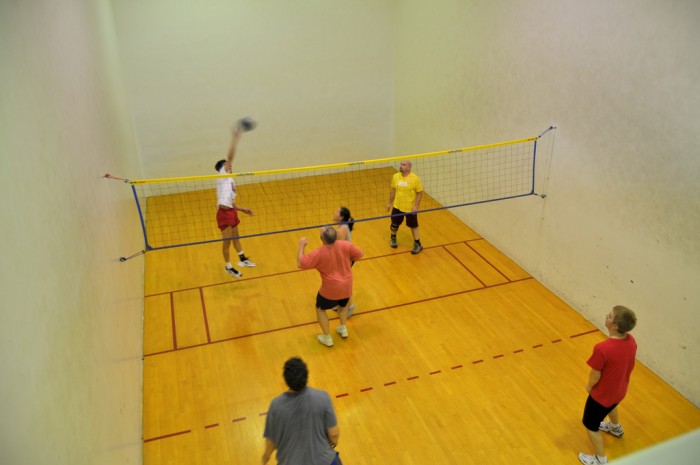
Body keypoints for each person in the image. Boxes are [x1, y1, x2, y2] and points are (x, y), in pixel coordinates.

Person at [578, 305, 638, 465]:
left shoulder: (602, 348)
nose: (606, 316)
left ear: (615, 326)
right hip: (619, 391)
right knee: (611, 405)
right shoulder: (631, 340)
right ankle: (614, 427)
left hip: (601, 396)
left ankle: (600, 460)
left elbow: (595, 374)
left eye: (610, 316)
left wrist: (589, 387)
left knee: (590, 425)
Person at [262, 357, 343, 465]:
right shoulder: (323, 397)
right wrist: (333, 443)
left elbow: (271, 442)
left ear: (286, 380)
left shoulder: (275, 405)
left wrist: (265, 458)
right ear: (306, 376)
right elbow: (333, 434)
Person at [297, 226, 363, 347]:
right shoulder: (345, 245)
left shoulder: (318, 253)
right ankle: (343, 328)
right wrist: (348, 262)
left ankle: (327, 337)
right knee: (343, 306)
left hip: (331, 289)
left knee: (320, 309)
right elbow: (360, 254)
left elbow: (300, 263)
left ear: (323, 239)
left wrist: (301, 245)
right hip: (347, 285)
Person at [215, 127, 256, 279]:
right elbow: (230, 157)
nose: (230, 166)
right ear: (222, 168)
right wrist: (235, 138)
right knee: (226, 242)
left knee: (236, 237)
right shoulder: (222, 175)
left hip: (231, 211)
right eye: (227, 165)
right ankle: (228, 266)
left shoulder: (231, 180)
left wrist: (242, 209)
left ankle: (242, 258)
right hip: (223, 214)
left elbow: (231, 202)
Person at [386, 160, 424, 254]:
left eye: (403, 165)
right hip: (397, 206)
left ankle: (418, 244)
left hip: (410, 208)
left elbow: (419, 193)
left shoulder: (415, 178)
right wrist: (389, 203)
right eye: (401, 164)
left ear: (409, 168)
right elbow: (393, 190)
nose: (401, 166)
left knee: (413, 226)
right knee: (394, 224)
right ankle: (393, 237)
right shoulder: (396, 176)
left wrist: (416, 206)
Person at [332, 207, 356, 317]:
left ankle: (349, 307)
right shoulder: (342, 226)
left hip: (345, 259)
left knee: (344, 284)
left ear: (341, 217)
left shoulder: (342, 229)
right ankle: (340, 304)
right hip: (344, 258)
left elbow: (338, 248)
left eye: (337, 212)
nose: (334, 213)